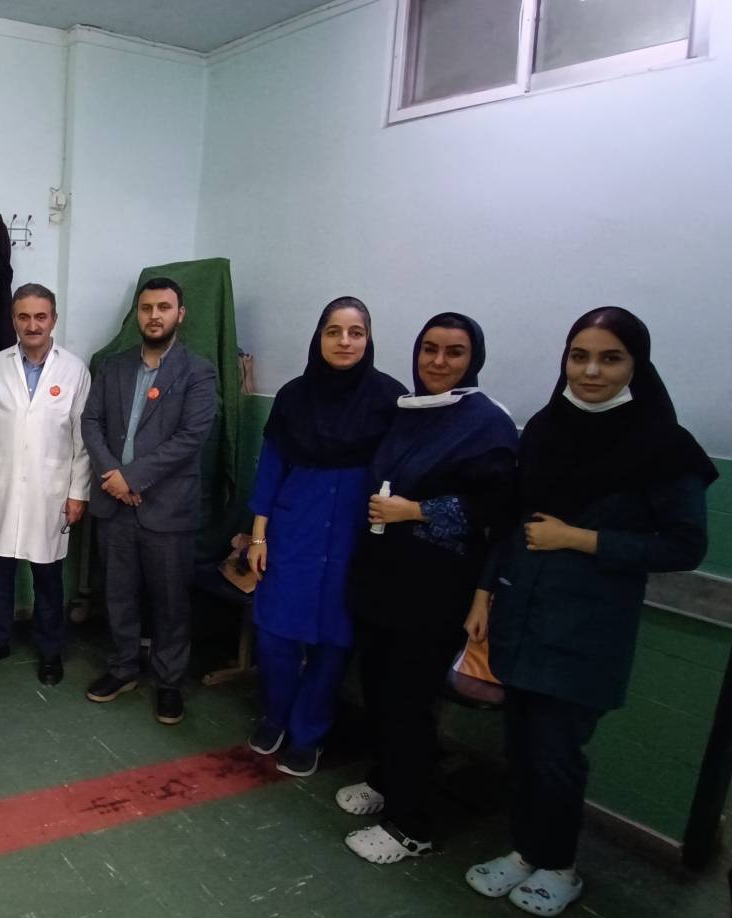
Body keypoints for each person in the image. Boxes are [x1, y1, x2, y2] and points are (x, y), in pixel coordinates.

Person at [462, 307, 716, 916]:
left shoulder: (663, 445)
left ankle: (560, 866)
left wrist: (581, 539)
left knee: (556, 755)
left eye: (610, 358)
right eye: (579, 357)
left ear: (636, 364)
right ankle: (525, 851)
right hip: (522, 614)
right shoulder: (546, 428)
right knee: (521, 746)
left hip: (587, 631)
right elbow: (512, 521)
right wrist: (483, 593)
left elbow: (685, 545)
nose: (591, 371)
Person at [338, 313, 518, 864]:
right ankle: (385, 780)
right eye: (429, 349)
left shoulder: (487, 424)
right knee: (379, 689)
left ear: (474, 359)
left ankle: (410, 826)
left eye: (454, 352)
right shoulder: (411, 411)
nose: (438, 362)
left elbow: (496, 511)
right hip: (383, 581)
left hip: (434, 591)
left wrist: (414, 511)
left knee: (410, 703)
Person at [246, 296, 404, 777]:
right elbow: (270, 469)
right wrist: (258, 537)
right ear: (319, 337)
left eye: (356, 332)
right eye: (334, 331)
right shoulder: (294, 397)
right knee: (275, 634)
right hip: (294, 531)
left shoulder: (390, 399)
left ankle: (308, 732)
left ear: (368, 339)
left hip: (353, 537)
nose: (344, 341)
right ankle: (276, 715)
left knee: (334, 643)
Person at [80, 277, 218, 725]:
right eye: (146, 308)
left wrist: (133, 477)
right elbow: (91, 421)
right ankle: (123, 668)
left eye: (164, 307)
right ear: (137, 314)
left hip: (167, 508)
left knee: (170, 602)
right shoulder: (115, 367)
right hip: (114, 504)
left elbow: (191, 437)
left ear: (181, 314)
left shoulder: (198, 372)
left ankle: (169, 682)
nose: (154, 316)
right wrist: (112, 475)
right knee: (118, 594)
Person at [0, 283, 92, 685]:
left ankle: (50, 650)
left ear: (53, 319)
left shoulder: (74, 371)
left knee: (48, 577)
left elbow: (82, 439)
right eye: (24, 317)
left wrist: (78, 492)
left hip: (51, 490)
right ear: (13, 320)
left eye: (40, 316)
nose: (32, 325)